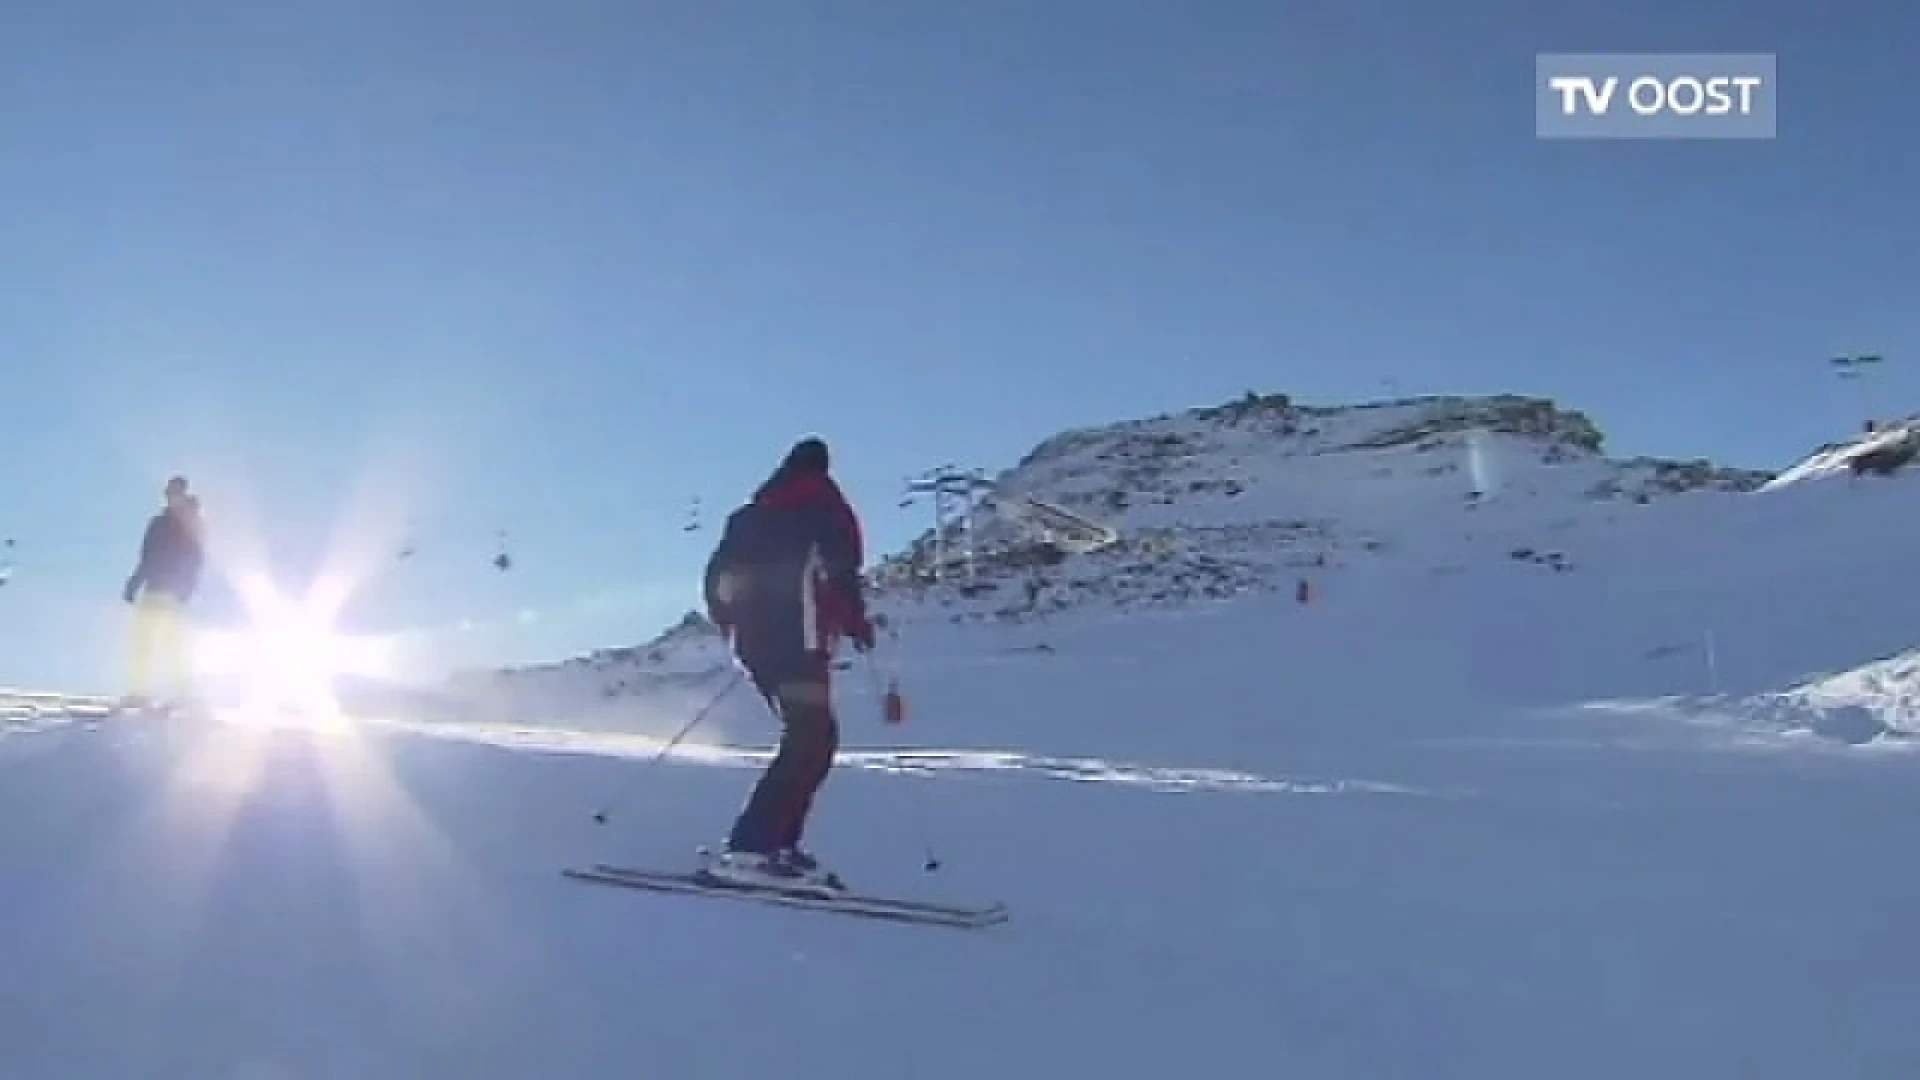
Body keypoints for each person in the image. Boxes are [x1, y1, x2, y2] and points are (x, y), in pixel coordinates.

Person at [702, 436, 875, 891]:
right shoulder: (823, 508)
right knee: (812, 737)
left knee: (811, 737)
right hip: (801, 642)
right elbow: (839, 570)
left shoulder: (748, 518)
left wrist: (735, 627)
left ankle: (774, 845)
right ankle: (751, 848)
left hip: (760, 645)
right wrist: (856, 623)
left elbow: (716, 578)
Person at [122, 476, 205, 709]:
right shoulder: (158, 523)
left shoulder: (191, 523)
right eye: (169, 493)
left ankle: (184, 693)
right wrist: (134, 582)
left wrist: (188, 587)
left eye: (175, 493)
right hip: (153, 588)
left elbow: (195, 557)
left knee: (173, 643)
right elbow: (147, 557)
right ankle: (138, 692)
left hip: (173, 590)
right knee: (142, 641)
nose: (171, 497)